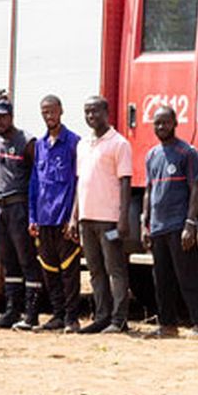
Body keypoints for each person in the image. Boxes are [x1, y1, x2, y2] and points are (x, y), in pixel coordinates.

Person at [141, 106, 198, 338]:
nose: (161, 127)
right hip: (158, 227)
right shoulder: (152, 155)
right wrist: (145, 224)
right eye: (157, 123)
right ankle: (167, 325)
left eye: (165, 123)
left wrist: (190, 223)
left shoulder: (187, 153)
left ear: (175, 123)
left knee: (189, 277)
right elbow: (149, 191)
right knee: (162, 280)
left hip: (179, 226)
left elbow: (196, 187)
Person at [73, 95, 136, 334]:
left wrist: (123, 219)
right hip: (86, 219)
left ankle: (119, 320)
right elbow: (81, 183)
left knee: (115, 270)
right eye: (87, 112)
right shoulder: (83, 144)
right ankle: (102, 316)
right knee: (95, 270)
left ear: (107, 113)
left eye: (95, 111)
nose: (91, 116)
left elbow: (125, 183)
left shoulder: (119, 144)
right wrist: (74, 216)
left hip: (108, 219)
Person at [0, 98, 41, 330]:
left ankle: (32, 314)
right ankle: (11, 311)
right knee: (8, 262)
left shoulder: (26, 141)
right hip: (0, 207)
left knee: (26, 259)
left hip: (19, 206)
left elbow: (37, 178)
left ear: (11, 117)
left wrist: (33, 213)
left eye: (2, 117)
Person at [28, 95, 83, 332]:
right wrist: (32, 217)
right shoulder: (39, 145)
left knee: (69, 271)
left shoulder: (74, 143)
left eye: (52, 111)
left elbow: (80, 182)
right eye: (44, 112)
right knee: (49, 270)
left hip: (64, 219)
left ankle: (72, 318)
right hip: (43, 218)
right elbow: (34, 184)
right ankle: (57, 315)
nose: (49, 116)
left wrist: (73, 218)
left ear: (61, 111)